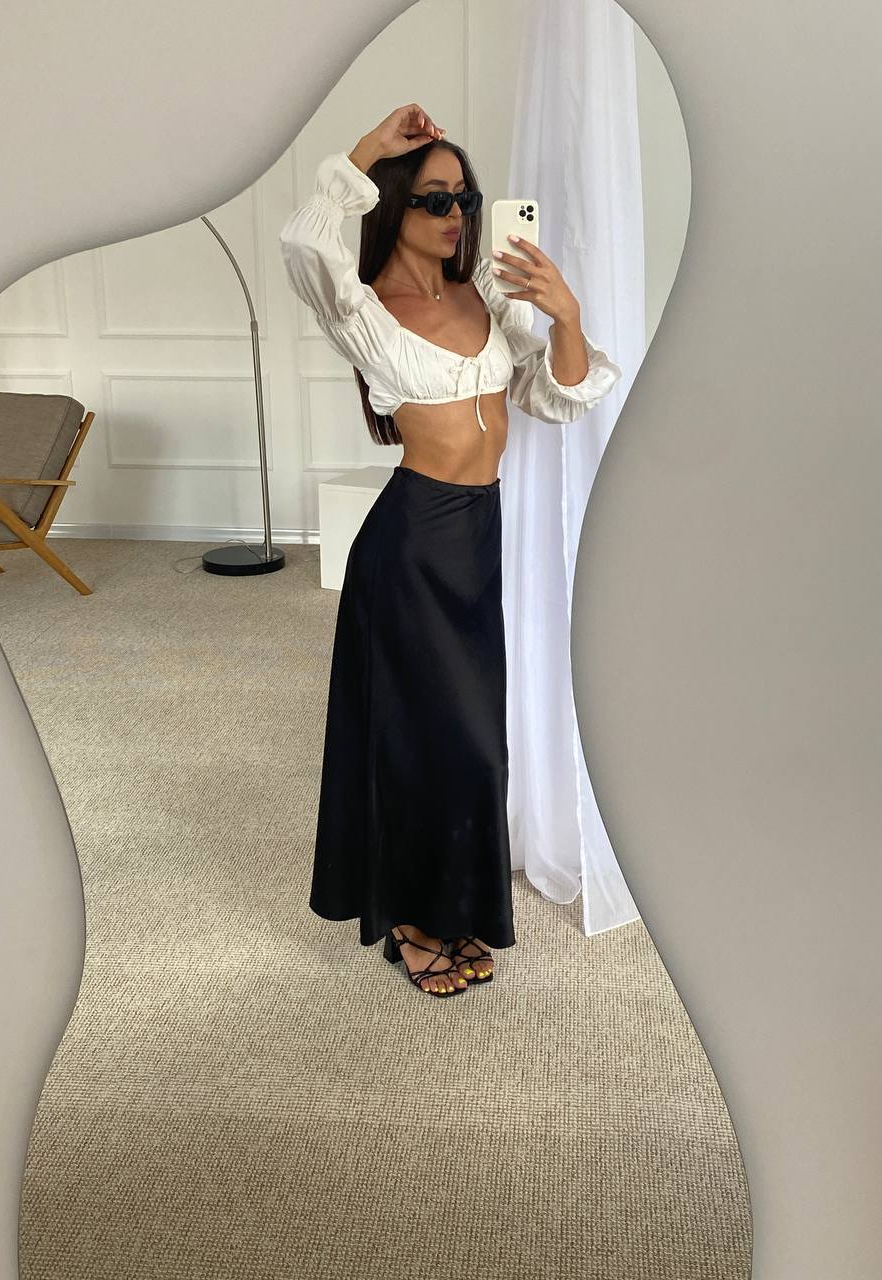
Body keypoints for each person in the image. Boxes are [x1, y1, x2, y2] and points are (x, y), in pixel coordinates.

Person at [279, 103, 622, 999]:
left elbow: (559, 397)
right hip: (412, 545)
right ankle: (412, 919)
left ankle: (451, 905)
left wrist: (565, 314)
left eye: (463, 198)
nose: (455, 214)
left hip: (477, 534)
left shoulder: (484, 298)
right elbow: (306, 242)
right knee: (420, 741)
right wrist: (369, 149)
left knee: (471, 745)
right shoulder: (363, 308)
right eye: (434, 198)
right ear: (392, 204)